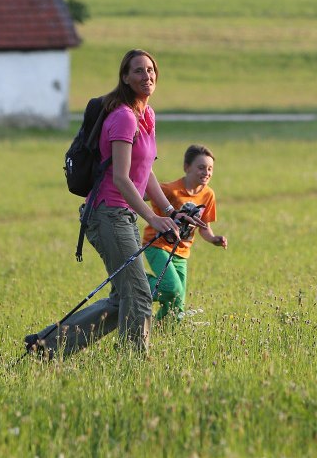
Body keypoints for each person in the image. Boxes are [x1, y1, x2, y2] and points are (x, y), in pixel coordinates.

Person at [56, 49, 203, 354]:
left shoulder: (146, 115)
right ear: (125, 77)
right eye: (138, 71)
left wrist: (171, 212)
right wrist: (153, 218)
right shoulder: (123, 117)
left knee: (122, 297)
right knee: (137, 294)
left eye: (150, 70)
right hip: (107, 214)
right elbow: (122, 178)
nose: (146, 76)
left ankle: (50, 346)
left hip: (123, 216)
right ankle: (134, 362)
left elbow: (144, 171)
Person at [142, 144, 228, 324]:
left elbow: (204, 227)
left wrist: (213, 239)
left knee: (177, 303)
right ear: (186, 167)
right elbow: (144, 193)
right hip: (158, 246)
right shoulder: (170, 189)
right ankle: (136, 285)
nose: (207, 172)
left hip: (181, 253)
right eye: (201, 167)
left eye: (210, 168)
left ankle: (162, 331)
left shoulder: (208, 195)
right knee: (171, 289)